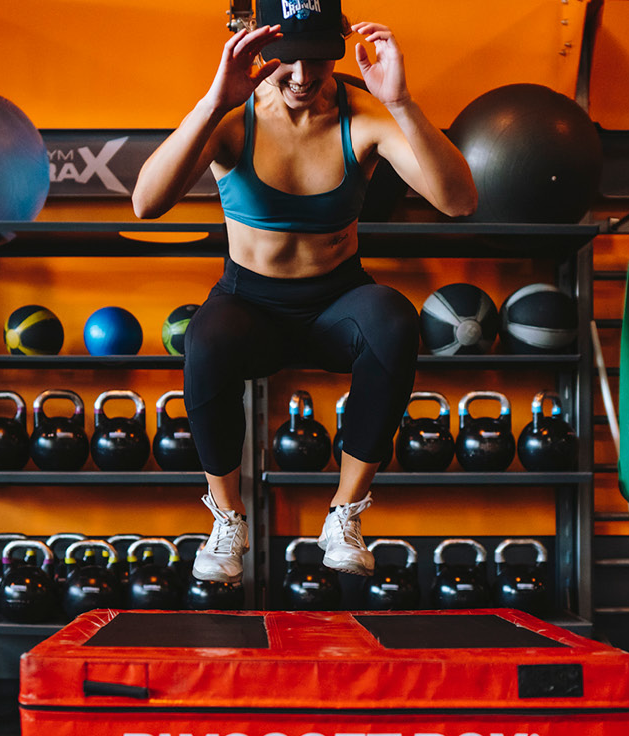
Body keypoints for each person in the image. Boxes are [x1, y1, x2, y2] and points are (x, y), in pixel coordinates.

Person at [132, 0, 477, 584]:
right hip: (250, 305)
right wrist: (214, 100)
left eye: (317, 59)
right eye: (286, 59)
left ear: (338, 49)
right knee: (206, 337)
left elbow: (459, 201)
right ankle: (227, 519)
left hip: (335, 304)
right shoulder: (233, 116)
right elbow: (146, 203)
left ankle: (345, 516)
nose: (301, 76)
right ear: (260, 47)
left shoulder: (362, 114)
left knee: (392, 317)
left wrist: (401, 102)